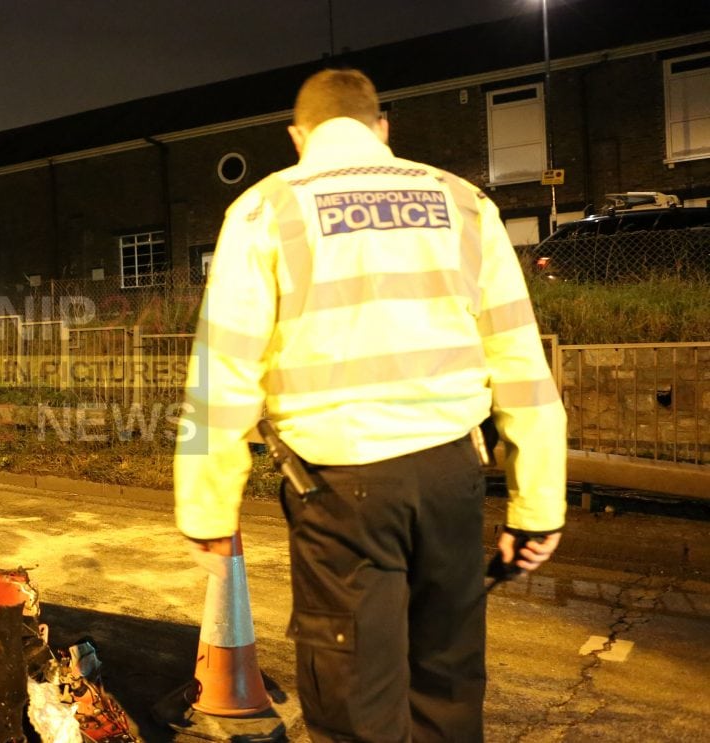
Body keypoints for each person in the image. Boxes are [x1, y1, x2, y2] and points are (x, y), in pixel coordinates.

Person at [173, 68, 566, 742]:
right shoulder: (464, 202)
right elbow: (520, 361)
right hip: (450, 478)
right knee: (447, 690)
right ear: (382, 128)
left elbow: (226, 371)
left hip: (343, 494)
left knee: (358, 708)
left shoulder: (267, 210)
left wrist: (208, 506)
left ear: (299, 136)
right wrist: (539, 506)